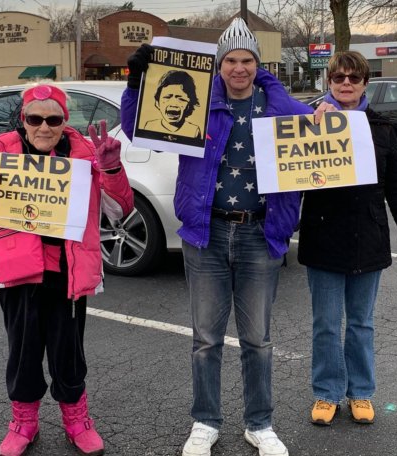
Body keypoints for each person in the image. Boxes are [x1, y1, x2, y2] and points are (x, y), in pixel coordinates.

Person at [121, 18, 314, 456]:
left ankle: (259, 424)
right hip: (206, 233)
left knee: (258, 341)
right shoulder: (198, 106)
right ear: (219, 64)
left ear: (257, 63)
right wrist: (136, 81)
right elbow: (138, 126)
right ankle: (205, 422)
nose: (239, 68)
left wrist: (343, 117)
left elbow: (330, 134)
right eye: (231, 60)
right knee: (206, 339)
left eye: (246, 60)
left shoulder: (281, 107)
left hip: (260, 234)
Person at [0, 81, 134, 456]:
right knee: (22, 350)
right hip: (18, 270)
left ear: (63, 120)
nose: (44, 127)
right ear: (24, 119)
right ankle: (23, 422)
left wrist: (113, 168)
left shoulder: (86, 152)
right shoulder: (0, 149)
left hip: (68, 271)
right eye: (35, 119)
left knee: (68, 351)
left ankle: (77, 420)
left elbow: (119, 210)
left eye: (53, 120)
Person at [299, 51, 397, 426]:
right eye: (338, 77)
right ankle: (326, 393)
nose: (345, 84)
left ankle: (361, 392)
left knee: (361, 323)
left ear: (364, 84)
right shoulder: (308, 123)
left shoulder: (382, 128)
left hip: (367, 238)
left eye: (353, 78)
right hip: (323, 236)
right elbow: (288, 180)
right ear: (328, 82)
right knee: (326, 323)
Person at [143, 70, 202, 138]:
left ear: (189, 105)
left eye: (181, 99)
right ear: (157, 103)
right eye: (167, 97)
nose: (173, 103)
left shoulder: (194, 132)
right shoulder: (150, 127)